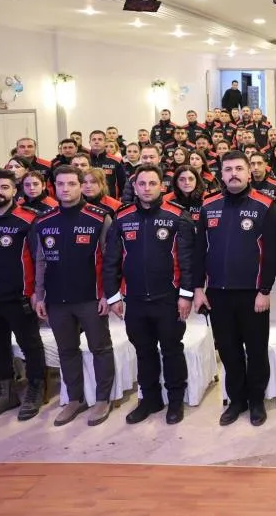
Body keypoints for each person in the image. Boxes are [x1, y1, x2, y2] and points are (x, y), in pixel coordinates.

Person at [193, 151, 276, 427]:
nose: (234, 174)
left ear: (249, 172)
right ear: (221, 173)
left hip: (253, 294)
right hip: (217, 294)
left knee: (256, 350)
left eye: (239, 168)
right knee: (229, 351)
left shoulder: (265, 205)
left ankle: (256, 401)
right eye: (228, 169)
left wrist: (264, 290)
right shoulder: (208, 206)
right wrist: (198, 288)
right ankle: (237, 400)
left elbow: (272, 253)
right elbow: (199, 251)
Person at [102, 165, 194, 425]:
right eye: (141, 184)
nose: (147, 188)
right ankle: (150, 399)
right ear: (135, 186)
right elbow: (111, 261)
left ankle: (175, 400)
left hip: (169, 299)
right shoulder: (122, 218)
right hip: (135, 300)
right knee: (143, 351)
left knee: (171, 350)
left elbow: (188, 261)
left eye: (152, 183)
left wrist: (185, 295)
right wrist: (113, 296)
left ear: (161, 186)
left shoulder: (178, 216)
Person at [31, 165, 115, 427]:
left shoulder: (99, 218)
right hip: (57, 299)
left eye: (71, 184)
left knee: (100, 348)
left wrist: (107, 295)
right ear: (53, 187)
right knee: (67, 350)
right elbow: (41, 261)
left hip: (91, 297)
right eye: (60, 184)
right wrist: (39, 295)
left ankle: (102, 399)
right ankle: (75, 399)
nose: (65, 189)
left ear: (82, 185)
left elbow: (110, 260)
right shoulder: (44, 220)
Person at [0, 169, 46, 422]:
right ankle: (5, 394)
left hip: (19, 298)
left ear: (15, 190)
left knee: (30, 345)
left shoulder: (28, 219)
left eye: (4, 187)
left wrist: (37, 293)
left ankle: (35, 391)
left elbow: (40, 260)